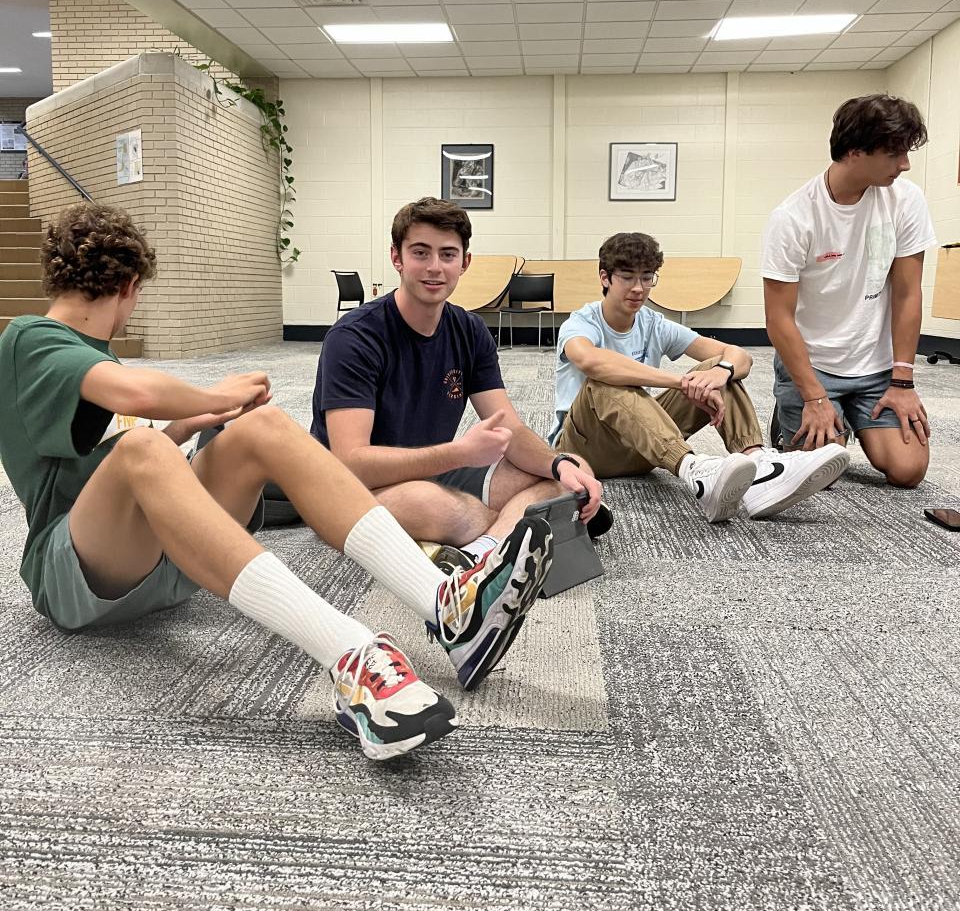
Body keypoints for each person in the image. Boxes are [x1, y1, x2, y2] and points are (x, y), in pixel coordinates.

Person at [0, 202, 555, 763]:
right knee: (143, 447)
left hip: (166, 559)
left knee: (261, 425)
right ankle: (350, 652)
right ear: (129, 286)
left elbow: (112, 462)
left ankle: (445, 606)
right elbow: (137, 401)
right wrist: (215, 396)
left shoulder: (93, 356)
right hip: (72, 578)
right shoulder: (29, 338)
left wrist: (193, 423)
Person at [312, 197, 608, 569]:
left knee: (572, 470)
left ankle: (483, 552)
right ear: (396, 257)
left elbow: (510, 429)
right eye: (421, 253)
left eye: (448, 254)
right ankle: (536, 524)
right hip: (349, 492)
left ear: (464, 262)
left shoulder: (469, 330)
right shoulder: (354, 338)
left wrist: (558, 464)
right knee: (432, 504)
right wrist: (459, 454)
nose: (435, 267)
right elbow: (352, 463)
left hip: (431, 470)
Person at [551, 231, 849, 523]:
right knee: (604, 381)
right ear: (605, 278)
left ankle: (759, 467)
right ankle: (693, 469)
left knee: (716, 370)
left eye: (647, 277)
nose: (638, 288)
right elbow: (591, 361)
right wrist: (679, 382)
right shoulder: (581, 322)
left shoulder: (653, 323)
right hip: (583, 450)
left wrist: (721, 372)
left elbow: (739, 356)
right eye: (627, 277)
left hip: (640, 445)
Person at [762, 94, 936, 489]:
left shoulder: (906, 200)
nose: (905, 164)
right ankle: (794, 410)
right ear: (855, 152)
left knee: (908, 470)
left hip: (876, 367)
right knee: (822, 475)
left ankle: (852, 418)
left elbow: (908, 294)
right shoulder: (793, 218)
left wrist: (903, 381)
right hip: (814, 366)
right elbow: (778, 318)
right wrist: (814, 396)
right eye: (894, 154)